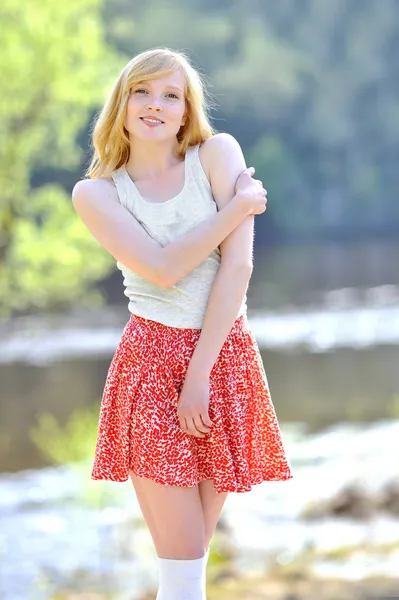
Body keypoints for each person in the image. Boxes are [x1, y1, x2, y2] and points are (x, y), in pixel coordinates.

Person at [72, 47, 293, 600]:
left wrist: (201, 373)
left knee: (195, 551)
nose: (155, 104)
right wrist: (236, 209)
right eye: (142, 92)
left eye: (171, 95)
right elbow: (166, 270)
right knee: (184, 561)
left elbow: (238, 267)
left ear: (187, 109)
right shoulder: (97, 193)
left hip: (226, 356)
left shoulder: (218, 155)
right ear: (121, 105)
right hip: (149, 365)